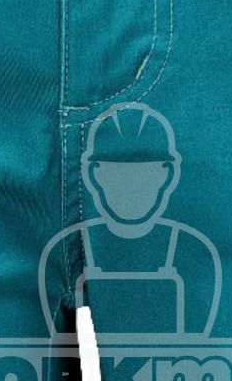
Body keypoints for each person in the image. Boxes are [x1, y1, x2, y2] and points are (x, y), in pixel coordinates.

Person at [39, 103, 221, 337]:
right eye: (113, 172)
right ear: (93, 174)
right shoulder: (53, 249)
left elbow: (200, 344)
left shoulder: (192, 245)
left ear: (168, 174)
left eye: (146, 172)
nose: (130, 185)